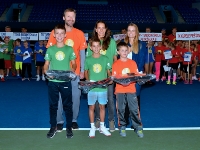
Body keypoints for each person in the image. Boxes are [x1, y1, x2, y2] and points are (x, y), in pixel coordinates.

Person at [47, 8, 87, 130]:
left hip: (74, 73)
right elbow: (50, 53)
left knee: (75, 97)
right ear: (64, 18)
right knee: (58, 98)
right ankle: (59, 121)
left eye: (73, 16)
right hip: (58, 73)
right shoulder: (55, 32)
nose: (71, 19)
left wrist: (82, 71)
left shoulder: (79, 33)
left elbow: (82, 54)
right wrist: (49, 72)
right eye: (68, 16)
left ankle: (74, 120)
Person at [44, 24, 77, 139]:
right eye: (57, 33)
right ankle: (53, 127)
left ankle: (68, 127)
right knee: (53, 105)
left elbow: (74, 63)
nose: (59, 35)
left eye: (61, 33)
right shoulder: (50, 49)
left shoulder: (69, 49)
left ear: (65, 35)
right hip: (53, 82)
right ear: (54, 35)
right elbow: (46, 65)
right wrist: (46, 72)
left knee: (67, 105)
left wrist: (71, 72)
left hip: (65, 81)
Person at [86, 20, 117, 132]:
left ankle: (111, 120)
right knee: (97, 100)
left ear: (106, 29)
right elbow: (88, 62)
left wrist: (114, 75)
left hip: (108, 77)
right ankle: (98, 119)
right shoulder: (91, 42)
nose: (101, 30)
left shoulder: (112, 42)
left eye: (103, 28)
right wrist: (88, 79)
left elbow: (115, 58)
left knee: (109, 99)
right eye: (99, 28)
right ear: (95, 29)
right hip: (95, 77)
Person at [112, 42, 143, 138]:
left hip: (131, 89)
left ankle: (137, 126)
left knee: (134, 109)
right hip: (120, 90)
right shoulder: (115, 64)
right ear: (118, 52)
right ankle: (122, 126)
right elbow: (115, 78)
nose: (124, 52)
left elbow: (136, 75)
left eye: (126, 50)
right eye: (122, 50)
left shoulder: (132, 63)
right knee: (121, 109)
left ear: (128, 51)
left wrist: (142, 78)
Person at [85, 38, 111, 138]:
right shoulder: (88, 59)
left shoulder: (105, 59)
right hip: (92, 88)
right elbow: (86, 72)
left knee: (102, 107)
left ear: (100, 47)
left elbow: (109, 72)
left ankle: (102, 126)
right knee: (91, 107)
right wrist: (88, 81)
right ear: (91, 48)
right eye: (94, 46)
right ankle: (92, 127)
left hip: (102, 88)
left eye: (97, 46)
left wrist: (109, 79)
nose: (96, 48)